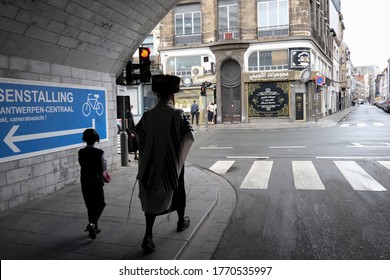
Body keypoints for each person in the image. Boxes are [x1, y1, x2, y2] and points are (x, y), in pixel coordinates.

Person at [134, 74, 195, 253]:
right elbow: (189, 136)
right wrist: (178, 158)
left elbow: (138, 135)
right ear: (172, 96)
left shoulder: (148, 115)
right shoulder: (178, 114)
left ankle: (148, 234)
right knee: (178, 189)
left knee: (151, 195)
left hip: (151, 164)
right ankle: (181, 220)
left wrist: (148, 153)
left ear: (157, 95)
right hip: (172, 163)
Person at [78, 129, 107, 240]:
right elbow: (104, 167)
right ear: (96, 140)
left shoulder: (81, 152)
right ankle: (92, 224)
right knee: (100, 204)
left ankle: (94, 227)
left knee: (90, 205)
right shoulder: (100, 153)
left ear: (84, 139)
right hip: (96, 182)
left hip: (85, 182)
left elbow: (82, 164)